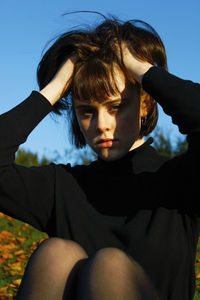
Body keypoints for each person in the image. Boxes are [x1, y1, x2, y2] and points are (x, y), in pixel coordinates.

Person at [0, 16, 200, 300]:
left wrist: (142, 70)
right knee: (56, 254)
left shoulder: (181, 179)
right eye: (87, 111)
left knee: (109, 266)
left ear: (144, 103)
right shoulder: (63, 187)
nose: (102, 124)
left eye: (116, 106)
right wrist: (54, 90)